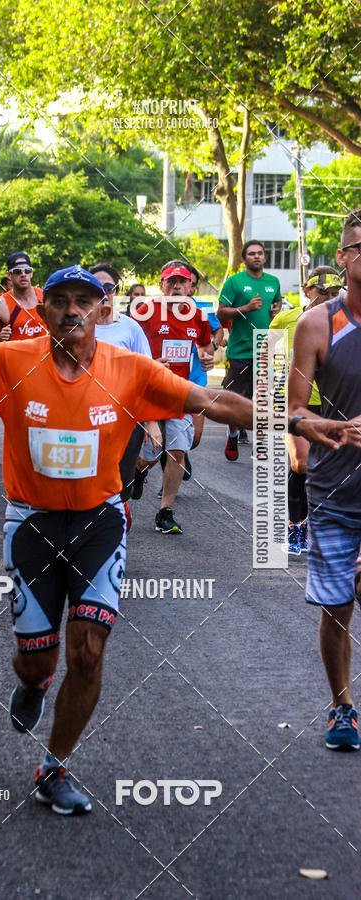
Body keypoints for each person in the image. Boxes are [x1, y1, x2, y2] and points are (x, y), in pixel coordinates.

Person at [0, 264, 353, 814]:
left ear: (102, 310)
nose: (74, 310)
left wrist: (297, 423)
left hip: (99, 523)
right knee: (36, 661)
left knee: (88, 648)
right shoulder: (12, 359)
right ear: (44, 310)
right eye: (61, 301)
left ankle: (55, 766)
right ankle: (34, 682)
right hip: (30, 523)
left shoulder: (130, 368)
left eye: (85, 301)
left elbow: (217, 402)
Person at [289, 210, 361, 752]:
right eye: (359, 246)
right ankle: (342, 706)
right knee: (338, 606)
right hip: (335, 490)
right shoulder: (317, 325)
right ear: (342, 257)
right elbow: (289, 411)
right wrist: (324, 428)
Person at [135, 263, 214, 534]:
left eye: (182, 282)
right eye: (171, 282)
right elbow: (126, 348)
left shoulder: (198, 316)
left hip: (179, 393)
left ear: (190, 286)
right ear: (162, 285)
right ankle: (137, 471)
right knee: (150, 455)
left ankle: (165, 512)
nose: (177, 287)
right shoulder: (145, 312)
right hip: (148, 392)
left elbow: (205, 343)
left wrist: (206, 357)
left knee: (178, 451)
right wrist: (149, 363)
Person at [270, 266, 343, 555]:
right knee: (300, 464)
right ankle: (295, 525)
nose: (328, 298)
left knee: (330, 469)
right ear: (306, 290)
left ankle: (320, 524)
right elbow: (269, 357)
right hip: (294, 403)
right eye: (322, 293)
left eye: (334, 293)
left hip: (332, 403)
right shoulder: (285, 320)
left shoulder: (344, 321)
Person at [90, 263, 161, 507]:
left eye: (108, 287)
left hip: (127, 416)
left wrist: (151, 422)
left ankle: (118, 509)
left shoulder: (131, 328)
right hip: (86, 415)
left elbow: (147, 376)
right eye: (96, 288)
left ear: (116, 291)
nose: (103, 293)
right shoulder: (78, 327)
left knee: (122, 481)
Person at [217, 240, 282, 460]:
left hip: (265, 351)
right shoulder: (234, 282)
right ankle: (233, 433)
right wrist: (245, 308)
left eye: (260, 253)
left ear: (264, 257)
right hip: (239, 351)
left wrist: (277, 309)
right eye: (251, 253)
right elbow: (221, 313)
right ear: (244, 258)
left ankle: (260, 443)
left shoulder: (273, 282)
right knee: (235, 401)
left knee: (262, 399)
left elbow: (276, 304)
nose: (256, 256)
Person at [0, 252, 47, 341]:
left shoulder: (46, 297)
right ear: (9, 275)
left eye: (27, 270)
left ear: (31, 273)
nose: (23, 274)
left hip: (46, 354)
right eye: (17, 272)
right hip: (15, 354)